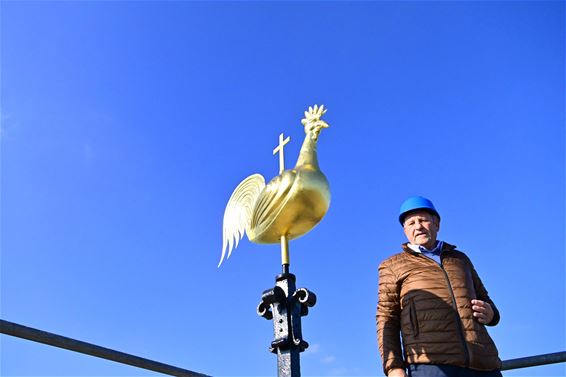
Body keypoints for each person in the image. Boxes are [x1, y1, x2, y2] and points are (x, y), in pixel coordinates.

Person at [376, 196, 502, 377]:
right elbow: (386, 317)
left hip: (484, 363)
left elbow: (485, 298)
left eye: (423, 220)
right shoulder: (392, 265)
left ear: (437, 224)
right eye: (411, 223)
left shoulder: (460, 259)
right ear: (405, 231)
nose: (418, 226)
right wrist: (393, 367)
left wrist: (492, 314)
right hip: (431, 366)